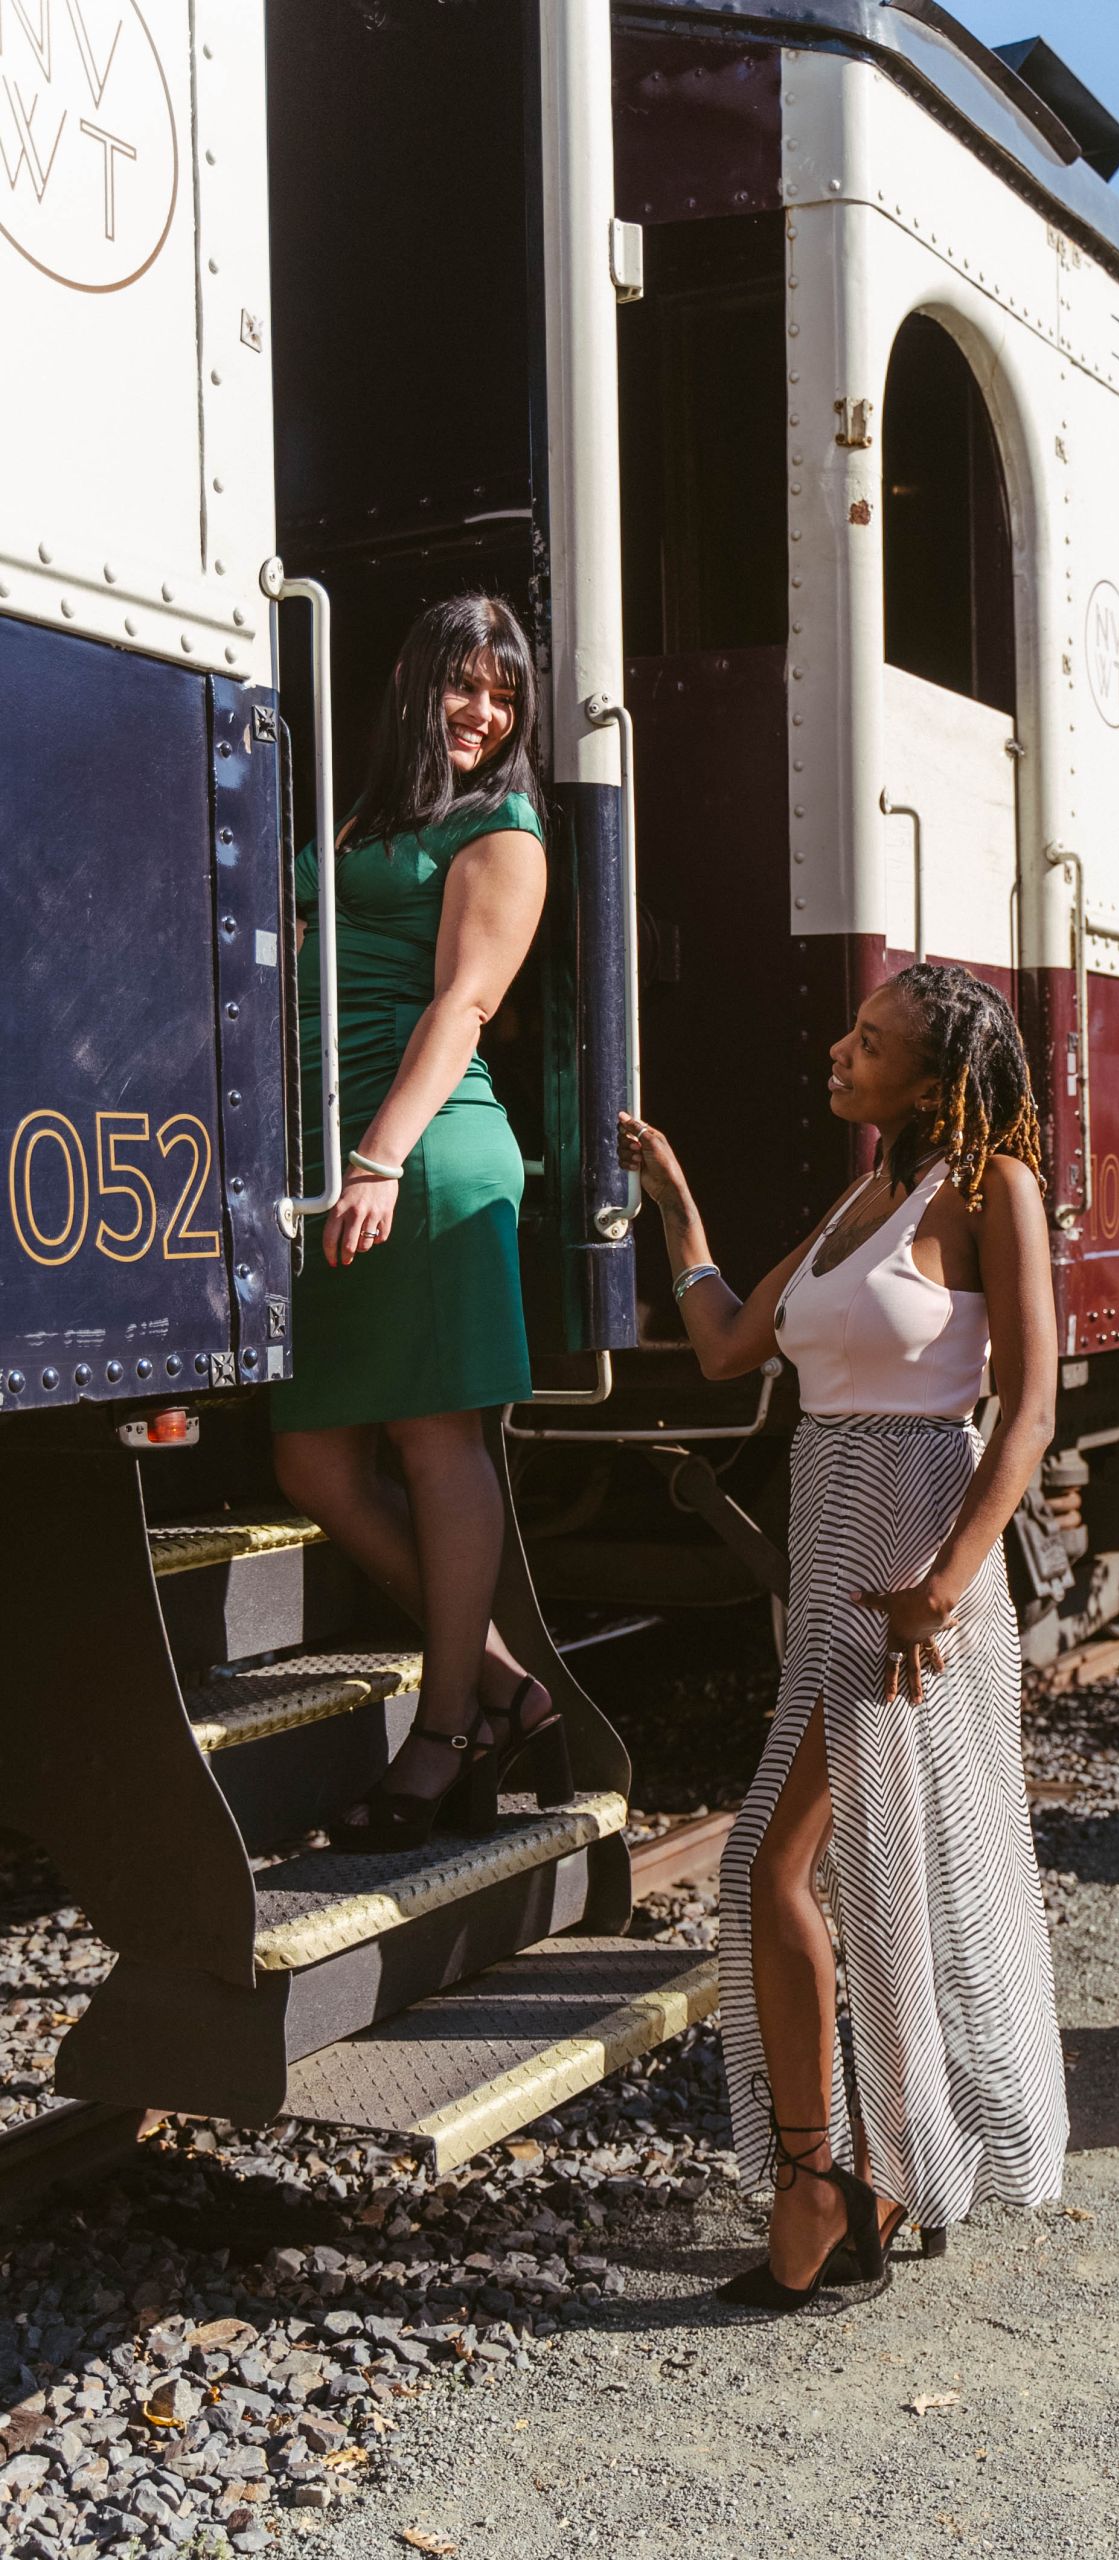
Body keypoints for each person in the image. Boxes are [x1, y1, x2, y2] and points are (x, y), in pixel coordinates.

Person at [619, 962, 1069, 2312]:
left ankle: (818, 2182)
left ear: (929, 1083)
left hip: (905, 1575)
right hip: (832, 1568)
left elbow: (1033, 1407)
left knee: (773, 1867)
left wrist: (943, 1582)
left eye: (866, 1044)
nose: (836, 1050)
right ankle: (880, 2168)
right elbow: (723, 1348)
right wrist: (677, 1203)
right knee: (867, 1871)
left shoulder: (992, 1192)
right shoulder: (858, 1199)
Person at [272, 594, 566, 1851]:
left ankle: (444, 1733)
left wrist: (381, 1158)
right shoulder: (364, 809)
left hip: (424, 1154)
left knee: (438, 1446)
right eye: (465, 684)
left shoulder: (505, 829)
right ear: (413, 680)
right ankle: (498, 1682)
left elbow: (463, 1007)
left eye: (503, 697)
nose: (482, 713)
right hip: (340, 1157)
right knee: (314, 1461)